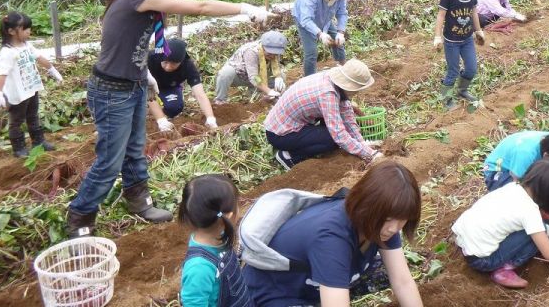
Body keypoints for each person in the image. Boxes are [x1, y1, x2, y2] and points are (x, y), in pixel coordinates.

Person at [66, 0, 271, 239]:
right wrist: (243, 7)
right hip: (112, 90)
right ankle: (80, 216)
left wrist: (142, 74)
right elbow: (199, 6)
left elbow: (123, 41)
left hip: (132, 83)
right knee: (110, 159)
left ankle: (139, 201)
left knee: (135, 150)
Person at [241, 161, 424, 307]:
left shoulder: (381, 224)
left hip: (311, 280)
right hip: (274, 294)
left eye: (403, 219)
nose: (394, 228)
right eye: (389, 219)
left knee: (387, 274)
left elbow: (402, 281)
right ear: (369, 207)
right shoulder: (331, 239)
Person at [452, 157, 549, 289]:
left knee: (535, 227)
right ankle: (504, 269)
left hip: (462, 241)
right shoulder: (529, 211)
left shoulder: (512, 187)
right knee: (536, 234)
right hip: (482, 261)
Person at [265, 59, 381, 170]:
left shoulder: (332, 80)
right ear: (349, 85)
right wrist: (370, 154)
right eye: (357, 89)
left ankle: (306, 142)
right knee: (332, 140)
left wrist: (362, 143)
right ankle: (289, 156)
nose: (357, 92)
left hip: (294, 122)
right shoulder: (327, 94)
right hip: (280, 133)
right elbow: (339, 135)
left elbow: (346, 113)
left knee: (339, 132)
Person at [0, 12, 63, 157]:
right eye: (25, 29)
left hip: (31, 88)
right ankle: (18, 148)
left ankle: (38, 141)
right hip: (17, 94)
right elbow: (3, 73)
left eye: (29, 28)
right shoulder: (8, 52)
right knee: (16, 121)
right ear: (11, 31)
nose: (29, 32)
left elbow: (39, 57)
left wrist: (52, 69)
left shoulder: (26, 46)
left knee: (33, 116)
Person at [179, 174, 252, 307]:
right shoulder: (199, 267)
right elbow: (193, 303)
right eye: (238, 204)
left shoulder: (220, 236)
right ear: (229, 217)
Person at [433, 0, 485, 109]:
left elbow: (474, 12)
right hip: (451, 41)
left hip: (467, 40)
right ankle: (446, 98)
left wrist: (478, 31)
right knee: (453, 70)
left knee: (471, 68)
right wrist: (438, 36)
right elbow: (441, 16)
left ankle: (462, 90)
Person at [146, 38, 219, 132]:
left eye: (173, 64)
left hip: (168, 87)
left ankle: (163, 114)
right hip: (144, 85)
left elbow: (200, 94)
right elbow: (148, 91)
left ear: (181, 62)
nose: (168, 67)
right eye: (165, 62)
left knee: (174, 107)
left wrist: (210, 118)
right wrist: (161, 120)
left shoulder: (188, 66)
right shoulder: (150, 58)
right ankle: (154, 114)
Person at [292, 0, 350, 77]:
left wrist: (341, 32)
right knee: (311, 52)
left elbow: (342, 13)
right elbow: (306, 19)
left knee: (338, 42)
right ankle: (310, 80)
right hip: (305, 20)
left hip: (326, 18)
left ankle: (344, 70)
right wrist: (320, 34)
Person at [214, 31, 288, 104]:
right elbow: (254, 77)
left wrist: (279, 77)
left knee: (282, 75)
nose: (272, 56)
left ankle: (264, 96)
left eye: (275, 54)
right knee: (226, 73)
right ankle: (221, 101)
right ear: (263, 46)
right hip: (240, 76)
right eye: (269, 53)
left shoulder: (276, 52)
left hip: (258, 76)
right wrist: (269, 91)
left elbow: (276, 68)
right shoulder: (251, 51)